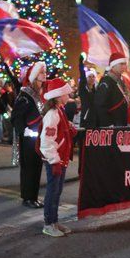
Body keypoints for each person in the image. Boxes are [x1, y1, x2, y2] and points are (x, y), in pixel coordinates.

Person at [39, 78, 77, 236]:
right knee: (52, 192)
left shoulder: (59, 111)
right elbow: (47, 141)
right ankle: (48, 224)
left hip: (60, 159)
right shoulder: (53, 114)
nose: (69, 95)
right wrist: (54, 161)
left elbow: (61, 132)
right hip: (55, 160)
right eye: (66, 93)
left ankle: (54, 221)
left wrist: (70, 129)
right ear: (59, 95)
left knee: (57, 191)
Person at [9, 61, 46, 208]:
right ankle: (28, 198)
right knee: (29, 169)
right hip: (29, 138)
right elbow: (16, 116)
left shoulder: (39, 94)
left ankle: (34, 196)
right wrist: (24, 130)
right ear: (35, 77)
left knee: (36, 168)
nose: (45, 75)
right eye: (42, 73)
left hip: (38, 138)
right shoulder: (25, 95)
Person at [94, 52, 130, 127]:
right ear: (113, 66)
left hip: (120, 124)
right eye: (121, 64)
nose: (124, 67)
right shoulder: (106, 81)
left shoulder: (119, 81)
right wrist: (108, 124)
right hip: (112, 126)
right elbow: (100, 105)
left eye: (125, 64)